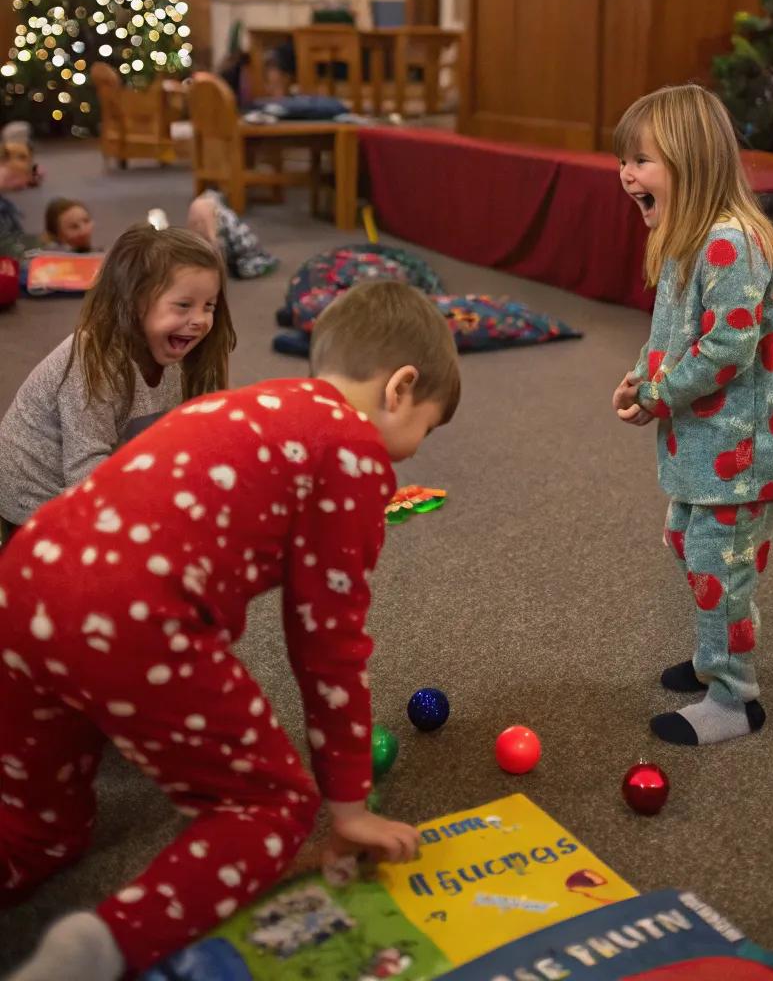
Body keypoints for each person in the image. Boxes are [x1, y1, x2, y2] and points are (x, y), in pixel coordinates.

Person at [0, 280, 460, 981]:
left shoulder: (253, 402)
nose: (410, 454)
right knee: (271, 805)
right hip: (129, 616)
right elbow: (328, 644)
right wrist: (347, 805)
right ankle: (99, 950)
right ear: (400, 389)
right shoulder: (352, 449)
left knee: (40, 829)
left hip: (25, 575)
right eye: (424, 431)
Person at [613, 84, 773, 747]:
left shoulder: (730, 243)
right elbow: (672, 334)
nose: (626, 174)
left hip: (739, 454)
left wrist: (659, 395)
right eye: (623, 160)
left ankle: (733, 699)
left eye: (641, 161)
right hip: (700, 446)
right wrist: (642, 380)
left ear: (690, 163)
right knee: (686, 545)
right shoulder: (685, 240)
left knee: (720, 569)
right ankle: (713, 653)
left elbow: (726, 348)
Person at [0, 225, 233, 537]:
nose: (200, 320)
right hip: (36, 500)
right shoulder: (92, 359)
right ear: (135, 301)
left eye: (209, 306)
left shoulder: (173, 352)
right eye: (183, 305)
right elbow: (83, 471)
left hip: (101, 474)